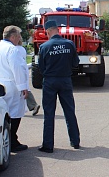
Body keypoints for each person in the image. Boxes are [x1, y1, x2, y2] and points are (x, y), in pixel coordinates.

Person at [37, 20, 80, 153]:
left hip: (50, 81)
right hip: (65, 80)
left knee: (49, 113)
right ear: (57, 30)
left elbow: (41, 68)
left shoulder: (44, 46)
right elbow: (75, 63)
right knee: (69, 111)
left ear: (48, 31)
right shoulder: (69, 44)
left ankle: (48, 145)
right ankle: (75, 141)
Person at [0, 25, 29, 152]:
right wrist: (23, 87)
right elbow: (18, 69)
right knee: (15, 113)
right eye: (18, 36)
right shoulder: (12, 50)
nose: (19, 39)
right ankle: (12, 140)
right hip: (11, 85)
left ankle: (5, 138)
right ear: (13, 36)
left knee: (2, 113)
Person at [16, 40, 40, 116]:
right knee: (25, 89)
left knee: (21, 89)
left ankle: (32, 105)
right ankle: (33, 105)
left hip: (17, 72)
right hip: (23, 70)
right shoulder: (22, 49)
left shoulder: (14, 49)